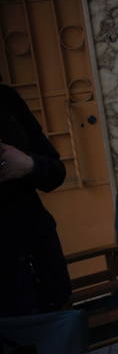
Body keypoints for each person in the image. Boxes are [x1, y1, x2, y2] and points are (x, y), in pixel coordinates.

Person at [0, 82, 70, 316]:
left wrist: (29, 165)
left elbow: (55, 172)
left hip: (38, 263)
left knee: (55, 341)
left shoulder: (5, 99)